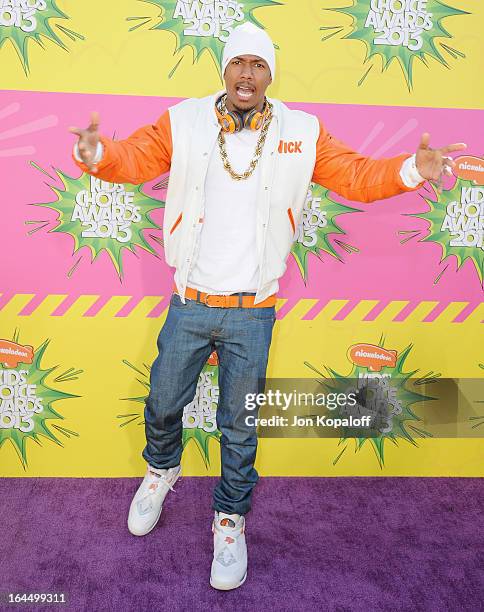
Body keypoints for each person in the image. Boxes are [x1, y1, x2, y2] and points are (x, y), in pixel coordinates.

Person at [69, 22, 465, 591]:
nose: (247, 73)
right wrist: (97, 153)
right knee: (161, 400)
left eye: (258, 64)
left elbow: (354, 174)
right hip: (190, 300)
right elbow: (134, 158)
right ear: (224, 70)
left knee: (239, 424)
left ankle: (229, 519)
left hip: (254, 310)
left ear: (270, 73)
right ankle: (162, 469)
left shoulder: (302, 132)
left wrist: (409, 171)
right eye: (238, 63)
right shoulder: (182, 120)